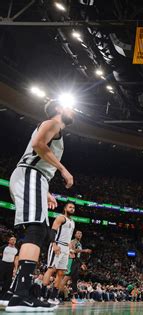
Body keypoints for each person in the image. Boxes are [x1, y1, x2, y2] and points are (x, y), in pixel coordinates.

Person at [7, 99, 74, 312]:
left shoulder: (56, 129)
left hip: (35, 178)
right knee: (36, 230)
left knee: (37, 231)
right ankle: (21, 295)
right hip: (30, 175)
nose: (72, 110)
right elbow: (38, 145)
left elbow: (39, 157)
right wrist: (63, 170)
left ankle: (18, 292)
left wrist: (45, 192)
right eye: (68, 105)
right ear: (58, 109)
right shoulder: (53, 122)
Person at [40, 202, 76, 305]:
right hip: (58, 245)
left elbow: (69, 238)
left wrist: (70, 250)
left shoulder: (73, 222)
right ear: (65, 208)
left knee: (61, 273)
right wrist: (54, 244)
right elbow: (53, 231)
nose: (72, 209)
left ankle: (52, 297)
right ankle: (42, 295)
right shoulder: (60, 217)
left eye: (73, 207)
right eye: (70, 207)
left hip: (65, 248)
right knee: (51, 269)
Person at [62, 230, 92, 304]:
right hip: (71, 261)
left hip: (76, 262)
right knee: (66, 279)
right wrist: (84, 250)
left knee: (74, 280)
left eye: (80, 233)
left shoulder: (79, 243)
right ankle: (53, 295)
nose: (79, 234)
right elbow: (72, 250)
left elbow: (77, 256)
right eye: (78, 233)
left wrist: (81, 264)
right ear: (74, 234)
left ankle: (74, 298)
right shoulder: (73, 241)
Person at [0, 237, 18, 306]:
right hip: (3, 264)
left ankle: (2, 297)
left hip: (10, 265)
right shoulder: (4, 247)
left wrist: (15, 269)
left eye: (14, 240)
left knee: (8, 282)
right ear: (9, 240)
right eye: (12, 239)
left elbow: (16, 260)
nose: (13, 241)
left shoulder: (16, 250)